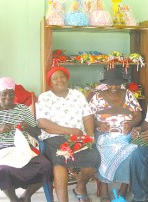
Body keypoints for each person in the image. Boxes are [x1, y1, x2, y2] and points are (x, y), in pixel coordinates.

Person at [0, 77, 52, 202]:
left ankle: (26, 196)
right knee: (1, 169)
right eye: (4, 94)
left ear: (14, 93)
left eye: (11, 93)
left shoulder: (22, 110)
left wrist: (27, 127)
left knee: (46, 165)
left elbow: (37, 132)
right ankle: (14, 199)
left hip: (24, 149)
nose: (8, 97)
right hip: (1, 149)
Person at [36, 66, 100, 202]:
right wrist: (69, 131)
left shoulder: (77, 95)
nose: (59, 80)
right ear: (50, 83)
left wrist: (90, 136)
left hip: (79, 138)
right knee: (60, 160)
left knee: (94, 157)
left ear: (67, 78)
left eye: (62, 76)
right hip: (53, 137)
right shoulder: (45, 97)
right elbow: (42, 123)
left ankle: (80, 186)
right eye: (55, 78)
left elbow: (87, 117)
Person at [89, 67, 142, 202]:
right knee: (104, 148)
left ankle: (123, 188)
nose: (114, 87)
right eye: (111, 84)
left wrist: (131, 124)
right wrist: (98, 124)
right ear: (106, 84)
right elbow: (88, 117)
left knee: (132, 150)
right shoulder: (98, 96)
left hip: (125, 132)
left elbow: (138, 115)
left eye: (117, 84)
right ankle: (105, 188)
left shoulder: (128, 94)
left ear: (122, 83)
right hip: (105, 133)